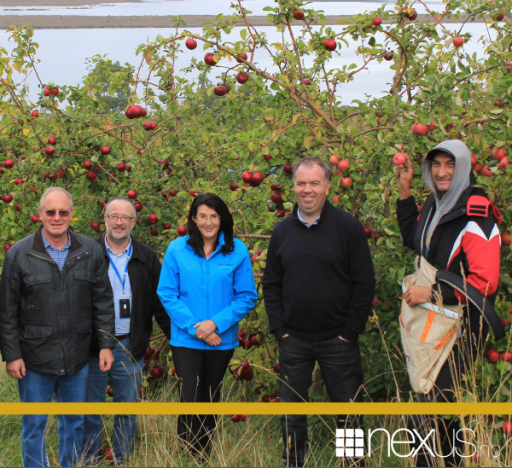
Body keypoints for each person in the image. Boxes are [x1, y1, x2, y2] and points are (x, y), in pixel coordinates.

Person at [396, 140, 505, 467]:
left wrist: (431, 294)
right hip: (435, 324)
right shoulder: (436, 203)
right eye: (436, 165)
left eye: (450, 165)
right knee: (442, 418)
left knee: (424, 419)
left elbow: (485, 283)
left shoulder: (476, 213)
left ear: (462, 168)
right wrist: (405, 193)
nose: (442, 172)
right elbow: (415, 243)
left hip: (461, 329)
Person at [263, 156, 375, 467]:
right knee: (292, 412)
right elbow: (271, 284)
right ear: (293, 186)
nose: (307, 189)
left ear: (327, 185)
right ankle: (294, 463)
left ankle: (354, 464)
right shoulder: (282, 231)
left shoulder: (348, 227)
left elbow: (364, 284)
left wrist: (349, 331)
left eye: (315, 183)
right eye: (301, 183)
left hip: (337, 339)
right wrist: (279, 330)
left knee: (348, 411)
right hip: (293, 339)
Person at [0, 186, 115, 467]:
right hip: (34, 358)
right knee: (34, 425)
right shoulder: (19, 254)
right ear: (40, 214)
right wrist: (12, 354)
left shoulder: (90, 251)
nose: (57, 217)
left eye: (63, 212)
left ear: (72, 214)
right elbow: (7, 310)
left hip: (77, 356)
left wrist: (106, 345)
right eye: (50, 212)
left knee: (73, 423)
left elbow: (103, 302)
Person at [157, 192, 258, 463]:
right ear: (193, 218)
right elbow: (167, 293)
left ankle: (203, 457)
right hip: (186, 339)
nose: (208, 222)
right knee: (189, 397)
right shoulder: (177, 249)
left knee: (211, 398)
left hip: (220, 340)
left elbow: (247, 296)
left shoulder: (237, 251)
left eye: (214, 216)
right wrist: (196, 327)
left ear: (222, 218)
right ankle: (185, 457)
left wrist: (215, 323)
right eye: (202, 216)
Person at [82, 196, 173, 464]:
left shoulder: (146, 257)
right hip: (92, 347)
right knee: (90, 408)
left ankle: (121, 459)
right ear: (105, 219)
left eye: (126, 218)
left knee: (127, 409)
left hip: (129, 346)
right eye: (114, 216)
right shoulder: (88, 252)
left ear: (134, 222)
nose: (119, 222)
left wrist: (175, 340)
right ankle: (88, 458)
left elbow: (159, 302)